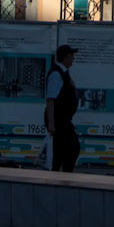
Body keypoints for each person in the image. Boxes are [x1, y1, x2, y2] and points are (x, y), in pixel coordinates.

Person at [43, 44, 81, 173]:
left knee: (66, 149)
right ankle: (63, 174)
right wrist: (51, 123)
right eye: (71, 56)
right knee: (72, 147)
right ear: (65, 57)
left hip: (63, 119)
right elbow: (50, 100)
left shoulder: (64, 73)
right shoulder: (56, 74)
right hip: (59, 120)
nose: (73, 58)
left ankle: (63, 173)